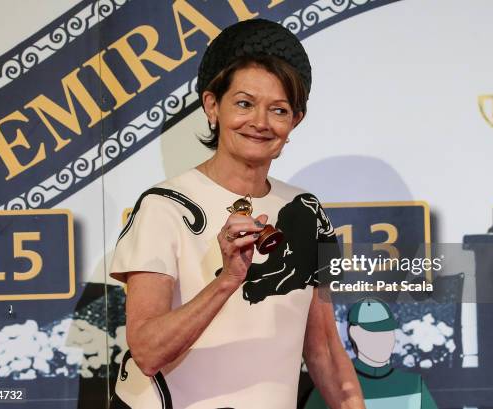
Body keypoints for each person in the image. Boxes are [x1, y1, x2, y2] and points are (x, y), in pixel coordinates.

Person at [109, 19, 365, 409]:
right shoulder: (164, 207)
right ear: (213, 105)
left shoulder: (306, 213)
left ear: (295, 121)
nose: (260, 123)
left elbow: (326, 350)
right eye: (244, 104)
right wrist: (228, 279)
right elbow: (147, 351)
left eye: (278, 110)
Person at [304, 298, 438, 409]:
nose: (384, 340)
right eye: (375, 333)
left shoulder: (413, 383)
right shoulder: (332, 384)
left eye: (387, 332)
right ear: (354, 333)